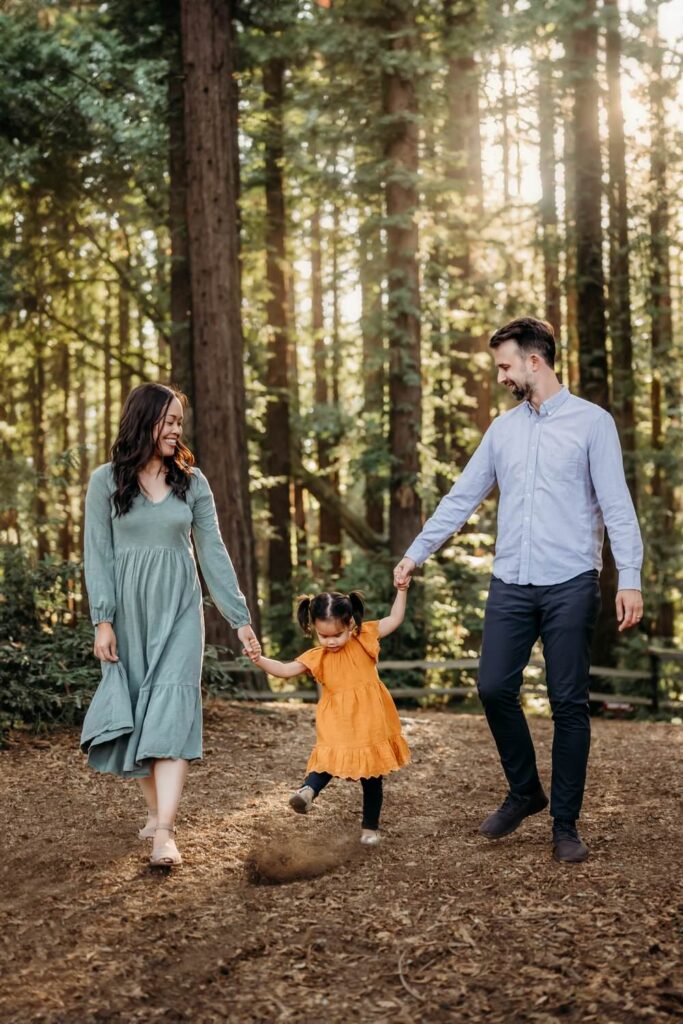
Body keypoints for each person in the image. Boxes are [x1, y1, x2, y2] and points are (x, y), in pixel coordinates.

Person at [394, 317, 643, 864]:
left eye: (505, 365)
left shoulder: (591, 423)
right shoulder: (502, 431)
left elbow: (617, 506)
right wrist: (416, 551)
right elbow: (461, 498)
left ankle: (565, 823)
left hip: (572, 583)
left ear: (535, 361)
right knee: (492, 687)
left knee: (568, 703)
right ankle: (525, 790)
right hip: (511, 581)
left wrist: (630, 577)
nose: (501, 375)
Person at [80, 382, 260, 868]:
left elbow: (214, 554)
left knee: (173, 714)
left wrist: (239, 619)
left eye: (181, 421)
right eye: (170, 420)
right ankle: (155, 812)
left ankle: (165, 832)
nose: (178, 429)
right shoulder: (106, 481)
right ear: (145, 420)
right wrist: (103, 620)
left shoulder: (193, 482)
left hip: (181, 610)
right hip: (129, 615)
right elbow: (97, 555)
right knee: (139, 715)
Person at [246, 589, 411, 845]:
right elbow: (285, 669)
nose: (331, 641)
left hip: (369, 720)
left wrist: (401, 590)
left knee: (372, 776)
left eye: (337, 635)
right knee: (328, 760)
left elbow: (395, 618)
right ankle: (308, 791)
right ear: (313, 628)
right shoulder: (317, 656)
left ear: (351, 624)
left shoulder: (365, 636)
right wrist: (259, 660)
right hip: (338, 719)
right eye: (323, 636)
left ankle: (370, 829)